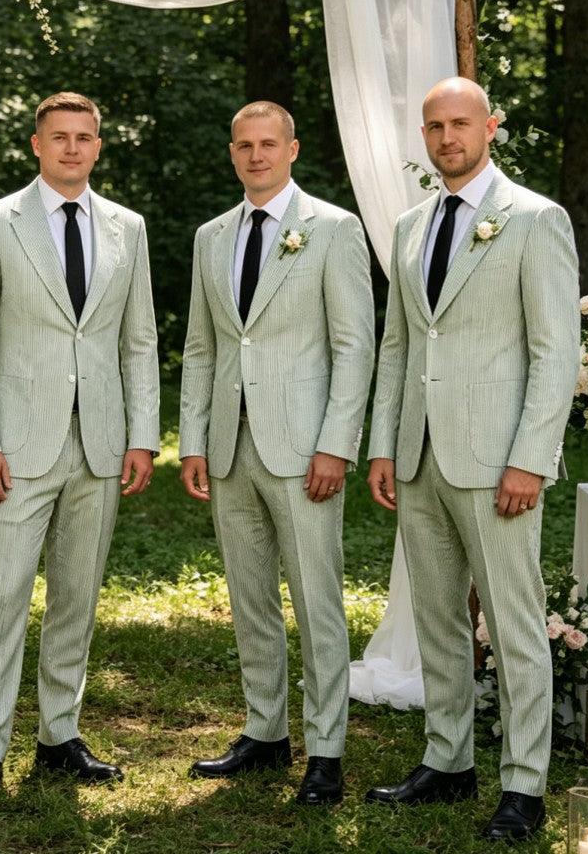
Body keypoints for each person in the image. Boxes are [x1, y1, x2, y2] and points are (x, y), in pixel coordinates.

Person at [365, 77, 579, 841]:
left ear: (489, 127)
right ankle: (448, 759)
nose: (447, 137)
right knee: (436, 618)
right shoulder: (410, 227)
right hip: (419, 454)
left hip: (497, 463)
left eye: (460, 123)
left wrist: (530, 458)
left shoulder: (535, 218)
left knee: (513, 626)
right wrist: (385, 445)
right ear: (424, 136)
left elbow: (556, 353)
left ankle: (524, 785)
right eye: (434, 126)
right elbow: (398, 345)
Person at [0, 92, 160, 806]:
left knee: (77, 595)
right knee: (2, 595)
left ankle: (59, 734)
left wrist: (142, 435)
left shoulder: (128, 227)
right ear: (36, 144)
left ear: (98, 145)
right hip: (15, 447)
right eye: (59, 137)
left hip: (99, 443)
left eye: (84, 137)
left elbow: (139, 341)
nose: (72, 148)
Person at [178, 101, 374, 805]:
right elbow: (202, 347)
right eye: (244, 145)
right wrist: (193, 440)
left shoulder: (334, 229)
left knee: (317, 600)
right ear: (232, 152)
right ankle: (265, 731)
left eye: (269, 144)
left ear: (292, 150)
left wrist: (335, 445)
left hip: (304, 449)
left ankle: (326, 749)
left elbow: (354, 347)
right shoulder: (211, 237)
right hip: (230, 447)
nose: (256, 155)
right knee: (249, 595)